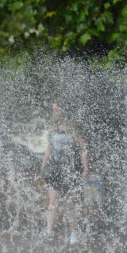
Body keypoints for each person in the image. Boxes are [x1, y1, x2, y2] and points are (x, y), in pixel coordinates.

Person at [39, 102, 89, 244]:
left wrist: (85, 168)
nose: (54, 113)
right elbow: (49, 149)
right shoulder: (53, 130)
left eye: (56, 111)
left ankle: (73, 233)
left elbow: (82, 150)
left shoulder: (75, 130)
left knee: (70, 203)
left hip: (71, 170)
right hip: (55, 169)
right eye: (53, 111)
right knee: (52, 202)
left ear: (64, 112)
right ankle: (48, 231)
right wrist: (43, 166)